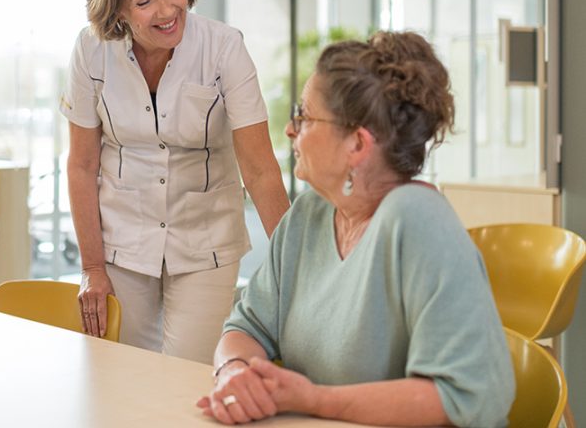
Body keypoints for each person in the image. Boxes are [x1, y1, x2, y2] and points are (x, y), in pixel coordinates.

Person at [197, 31, 514, 426]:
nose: (291, 131)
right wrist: (235, 372)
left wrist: (314, 400)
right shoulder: (308, 213)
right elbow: (247, 326)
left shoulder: (418, 219)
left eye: (306, 116)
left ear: (357, 145)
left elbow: (464, 397)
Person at [60, 0, 289, 363]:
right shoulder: (91, 50)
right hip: (121, 240)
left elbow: (259, 169)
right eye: (144, 1)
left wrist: (293, 266)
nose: (167, 10)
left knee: (191, 369)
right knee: (124, 372)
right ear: (117, 10)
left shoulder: (223, 47)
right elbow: (82, 165)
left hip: (207, 240)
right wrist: (92, 268)